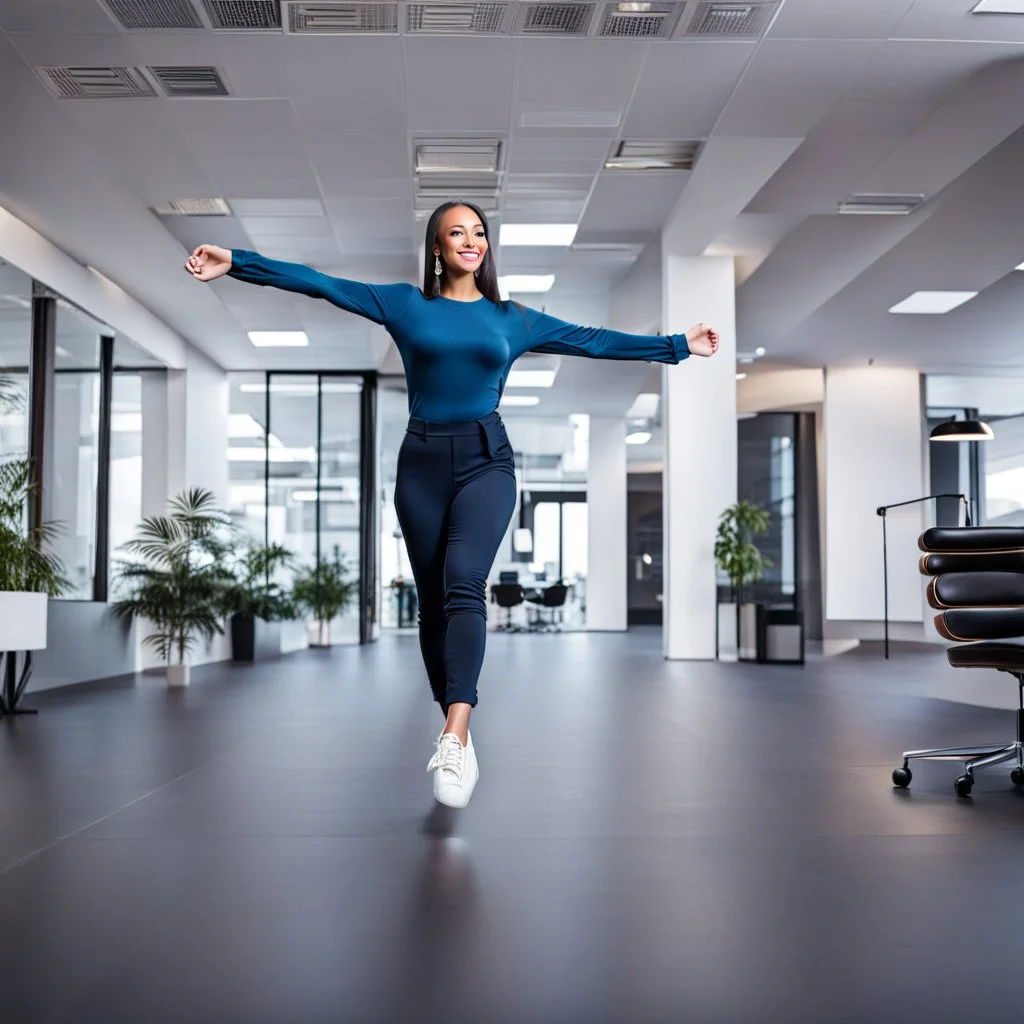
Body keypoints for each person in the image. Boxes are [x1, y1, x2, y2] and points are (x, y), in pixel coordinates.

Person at [185, 200, 719, 809]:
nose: (472, 241)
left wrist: (677, 344)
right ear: (437, 249)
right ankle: (458, 735)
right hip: (420, 465)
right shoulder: (406, 306)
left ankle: (454, 730)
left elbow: (591, 340)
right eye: (457, 233)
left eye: (480, 232)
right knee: (433, 608)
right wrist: (237, 263)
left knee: (465, 583)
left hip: (486, 459)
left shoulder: (512, 319)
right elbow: (322, 284)